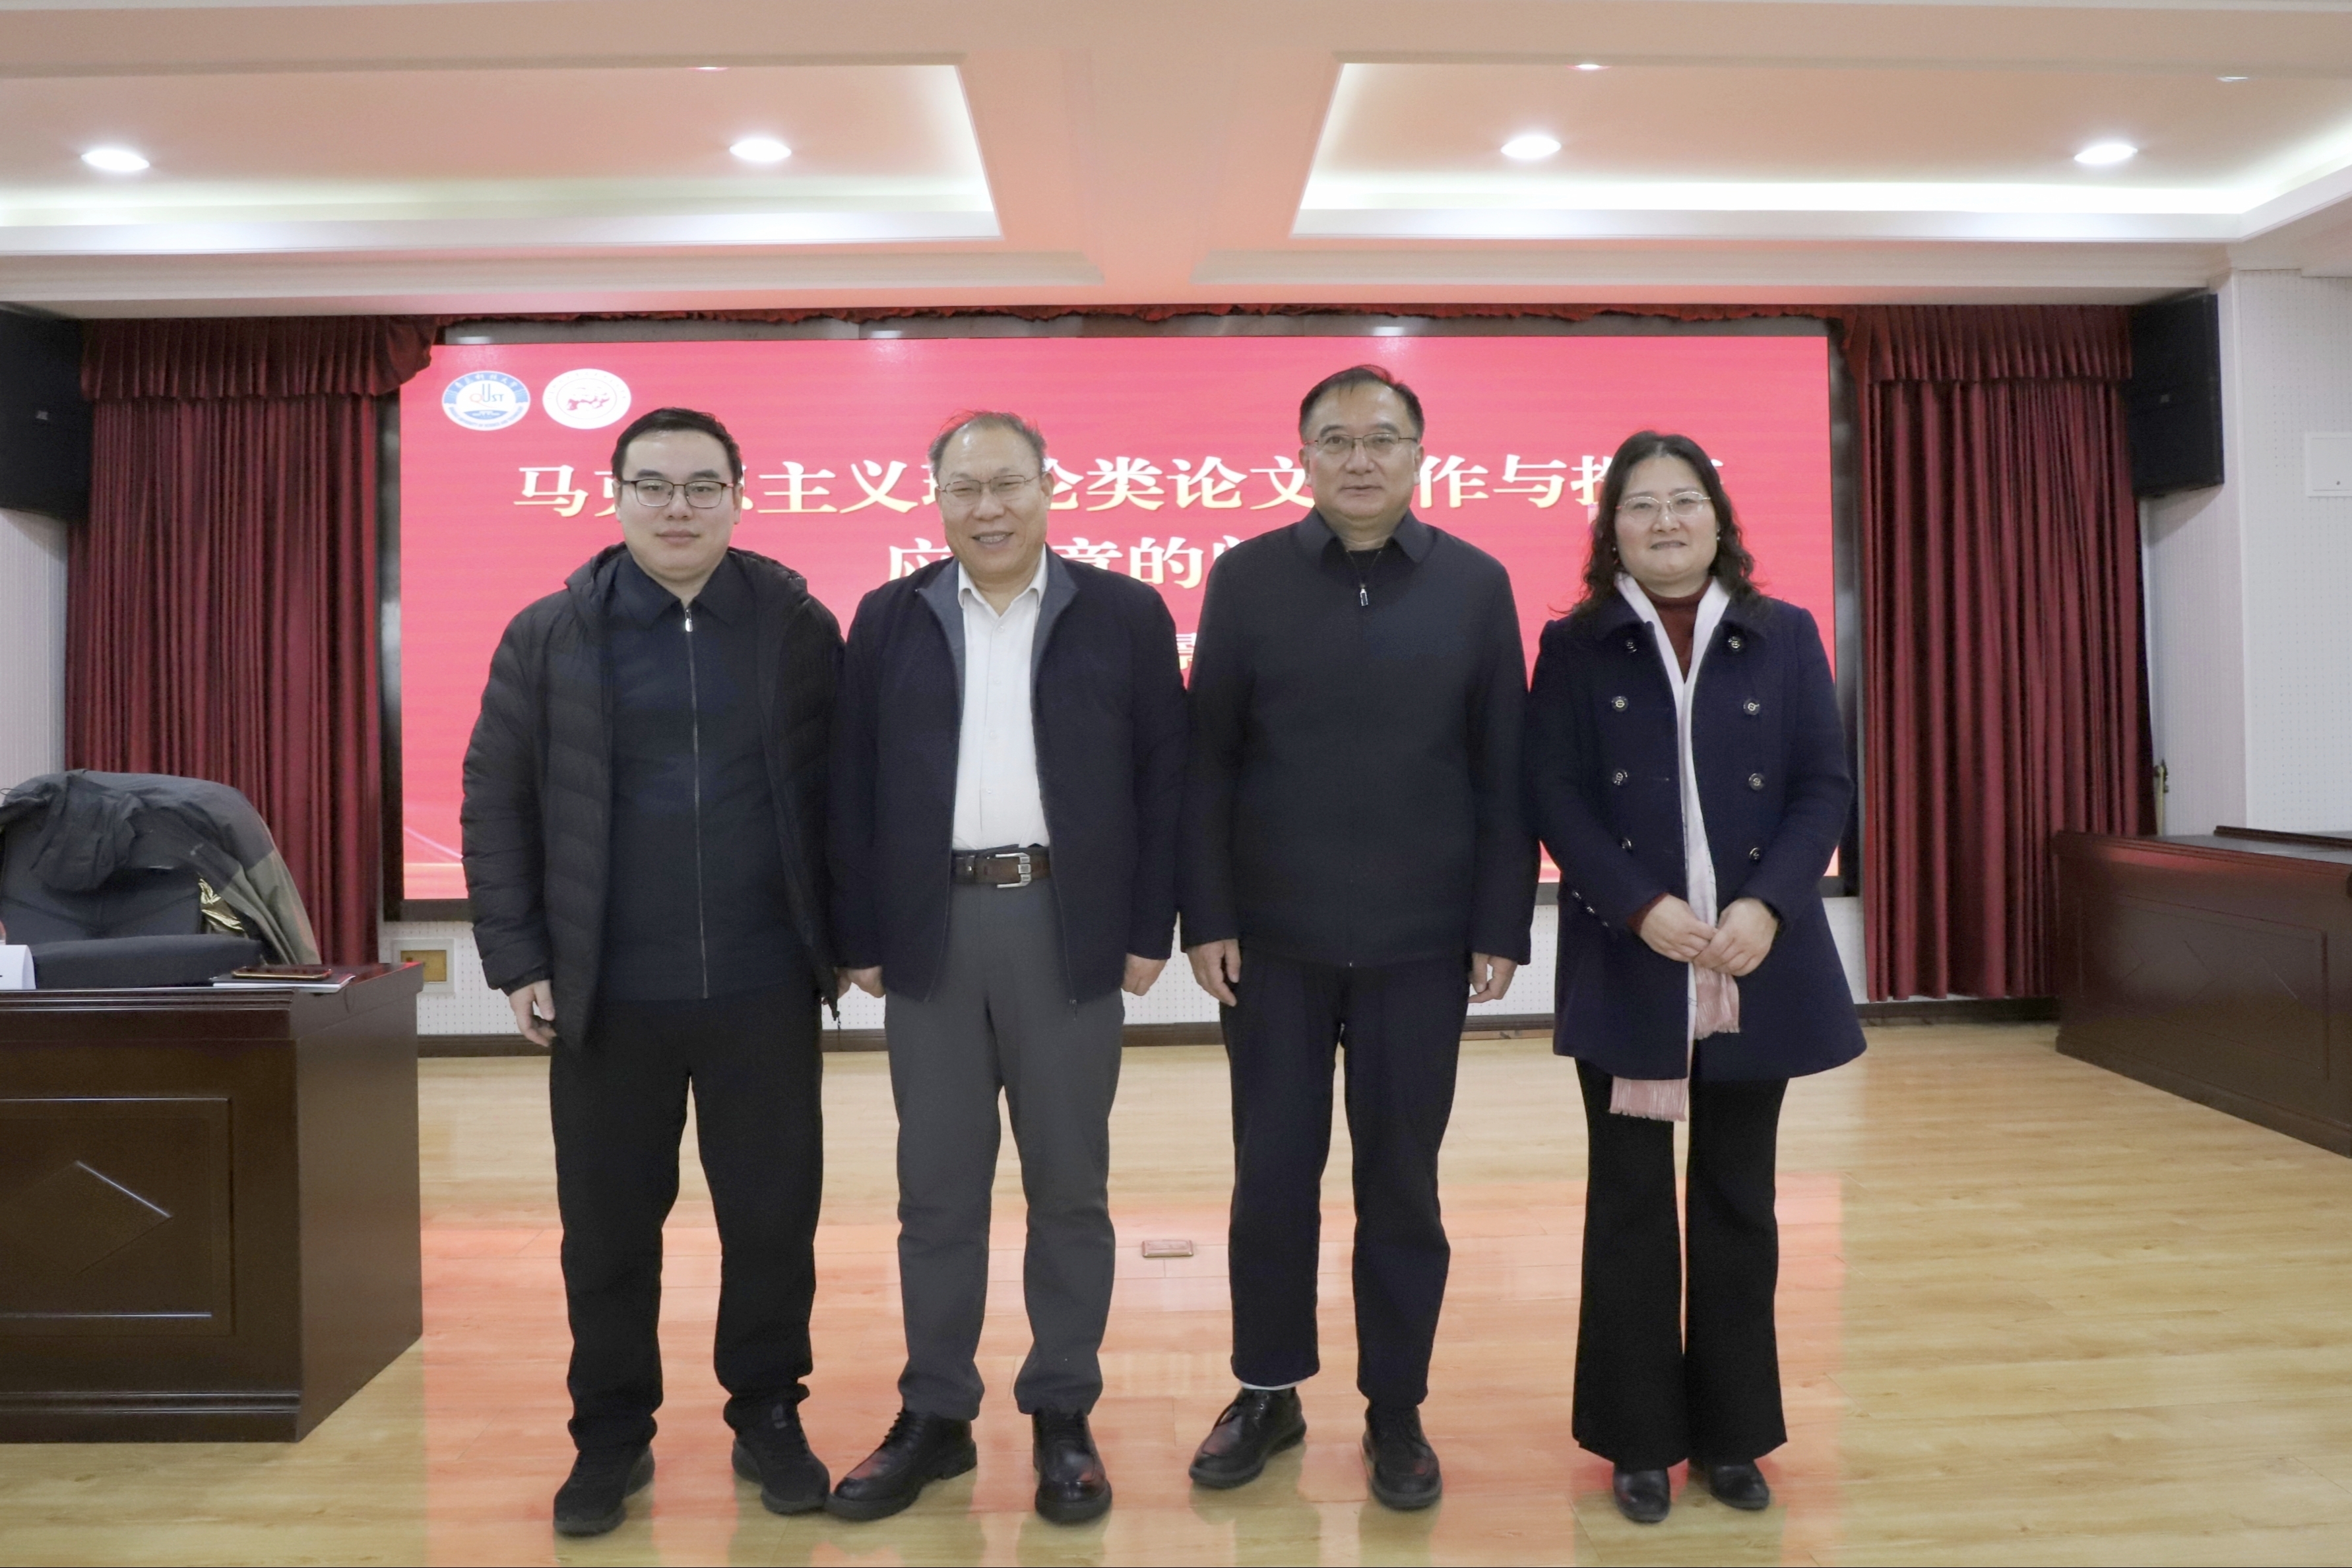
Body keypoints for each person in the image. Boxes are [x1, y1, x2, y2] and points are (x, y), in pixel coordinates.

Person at [461, 406, 842, 1538]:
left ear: (738, 495)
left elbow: (844, 791)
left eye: (702, 485)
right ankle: (610, 1434)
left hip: (763, 985)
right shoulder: (550, 634)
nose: (679, 506)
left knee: (771, 1220)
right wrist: (518, 957)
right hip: (606, 992)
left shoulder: (793, 625)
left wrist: (852, 940)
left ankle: (767, 1409)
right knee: (608, 1231)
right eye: (655, 485)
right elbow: (495, 800)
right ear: (616, 495)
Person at [1178, 364, 1537, 1511]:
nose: (1358, 458)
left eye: (1380, 437)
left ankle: (1395, 1406)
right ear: (1303, 458)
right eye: (1333, 440)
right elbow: (1208, 759)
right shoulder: (1246, 577)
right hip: (1271, 945)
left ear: (1419, 454)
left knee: (1402, 1186)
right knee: (1271, 1178)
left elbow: (1502, 765)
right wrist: (1208, 914)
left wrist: (1499, 921)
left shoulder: (1475, 584)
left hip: (1419, 945)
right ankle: (1267, 1388)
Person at [827, 410, 1188, 1526]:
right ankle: (934, 1412)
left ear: (1047, 488)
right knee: (935, 1192)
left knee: (1069, 1187)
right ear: (936, 499)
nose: (988, 508)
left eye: (1008, 484)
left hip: (1065, 927)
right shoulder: (888, 616)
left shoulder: (1122, 612)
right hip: (929, 932)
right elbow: (849, 782)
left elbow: (1164, 776)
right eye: (965, 488)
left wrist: (1148, 929)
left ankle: (1061, 1409)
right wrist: (859, 935)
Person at [1523, 429, 1862, 1525]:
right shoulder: (1574, 643)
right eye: (1640, 504)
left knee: (1737, 1197)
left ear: (1717, 519)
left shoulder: (1783, 631)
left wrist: (1766, 904)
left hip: (1754, 958)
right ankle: (1636, 1437)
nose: (1663, 521)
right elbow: (1553, 791)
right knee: (1627, 1199)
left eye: (1683, 501)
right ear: (1609, 527)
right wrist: (1640, 905)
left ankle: (1731, 1433)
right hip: (1632, 956)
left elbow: (1821, 783)